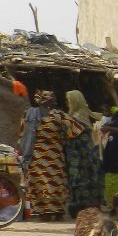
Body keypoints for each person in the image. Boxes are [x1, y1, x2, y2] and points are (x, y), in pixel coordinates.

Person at [25, 91, 70, 220]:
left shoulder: (29, 115)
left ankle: (43, 211)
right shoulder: (59, 116)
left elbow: (24, 134)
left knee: (39, 182)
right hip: (54, 154)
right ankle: (56, 210)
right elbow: (74, 130)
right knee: (55, 182)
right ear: (50, 101)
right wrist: (62, 139)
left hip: (37, 154)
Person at [64, 90, 103, 217]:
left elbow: (72, 137)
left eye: (69, 100)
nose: (67, 103)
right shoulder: (84, 114)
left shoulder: (76, 117)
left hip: (80, 155)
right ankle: (90, 207)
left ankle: (81, 209)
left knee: (81, 181)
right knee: (90, 179)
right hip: (88, 153)